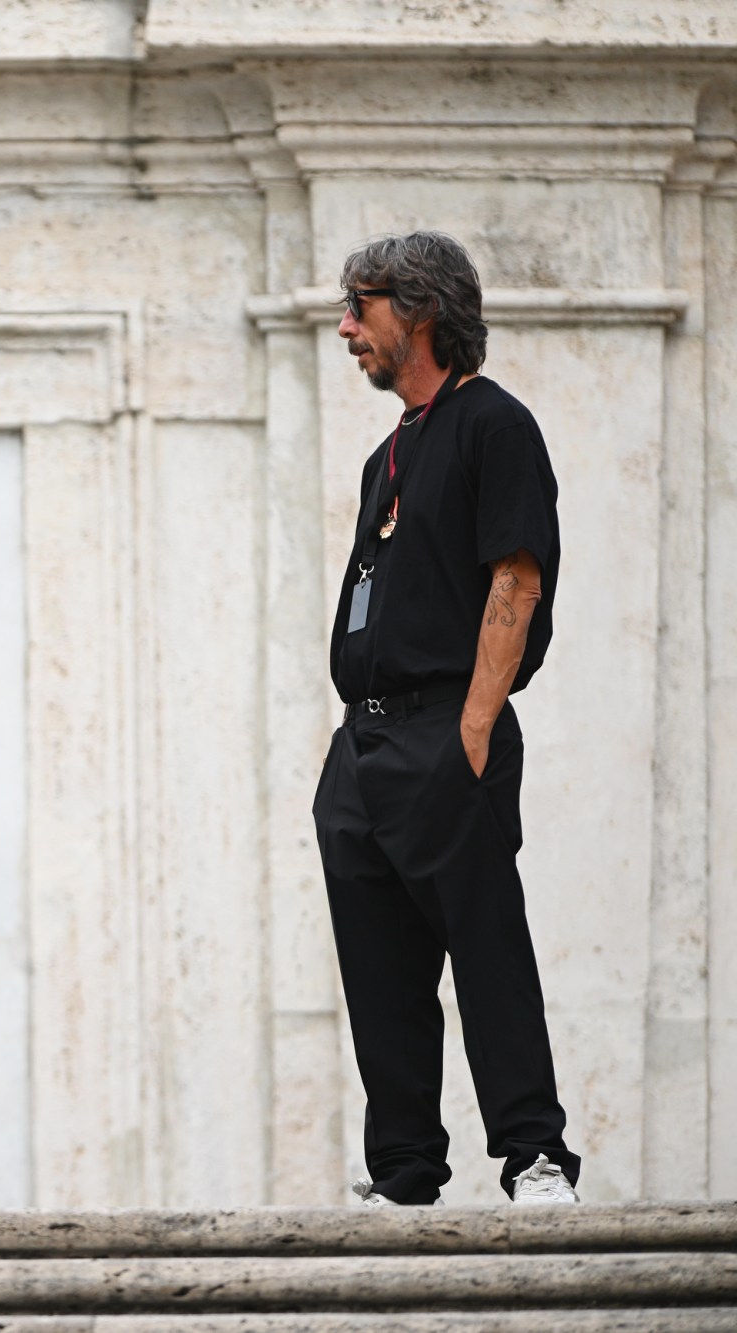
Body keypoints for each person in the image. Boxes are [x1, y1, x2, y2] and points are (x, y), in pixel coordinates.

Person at [312, 231, 580, 1206]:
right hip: (363, 749)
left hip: (443, 731)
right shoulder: (385, 453)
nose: (346, 327)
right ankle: (404, 1174)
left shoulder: (490, 426)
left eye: (362, 305)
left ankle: (532, 1154)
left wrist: (471, 726)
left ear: (419, 311)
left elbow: (515, 574)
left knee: (484, 944)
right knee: (379, 969)